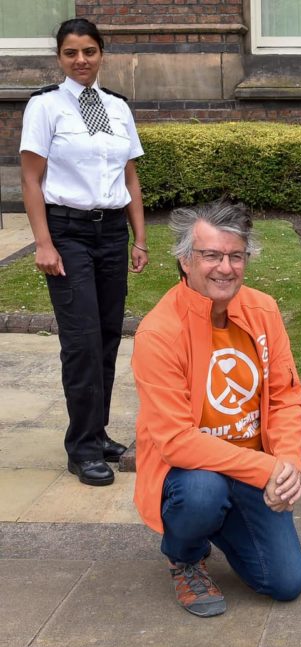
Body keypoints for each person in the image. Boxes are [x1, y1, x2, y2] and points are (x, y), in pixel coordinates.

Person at [131, 200, 301, 617]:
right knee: (203, 492)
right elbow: (176, 443)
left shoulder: (263, 309)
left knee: (285, 583)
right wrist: (266, 471)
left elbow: (284, 396)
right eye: (211, 255)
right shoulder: (158, 333)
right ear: (184, 260)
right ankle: (185, 554)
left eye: (235, 256)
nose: (225, 268)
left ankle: (221, 522)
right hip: (191, 475)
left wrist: (287, 464)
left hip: (250, 470)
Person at [19, 18, 148, 487]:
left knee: (108, 336)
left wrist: (140, 238)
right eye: (71, 53)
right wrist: (44, 243)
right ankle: (82, 448)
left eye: (89, 51)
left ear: (100, 54)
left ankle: (98, 432)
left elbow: (129, 177)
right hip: (68, 233)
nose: (81, 61)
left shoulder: (117, 107)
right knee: (81, 342)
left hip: (111, 232)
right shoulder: (45, 107)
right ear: (59, 57)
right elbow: (31, 179)